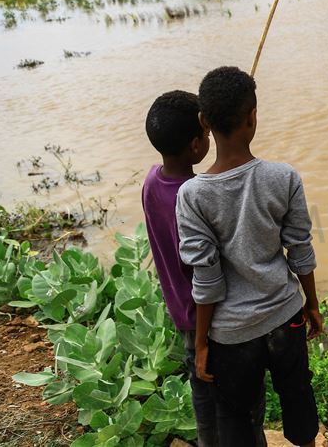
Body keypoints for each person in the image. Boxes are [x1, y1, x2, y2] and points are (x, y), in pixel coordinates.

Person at [177, 66, 323, 447]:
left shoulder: (192, 195)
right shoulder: (284, 177)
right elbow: (300, 248)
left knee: (237, 418)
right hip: (285, 317)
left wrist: (203, 341)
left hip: (232, 335)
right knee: (297, 396)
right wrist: (311, 302)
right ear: (253, 116)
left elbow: (206, 278)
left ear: (204, 122)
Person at [141, 90, 220, 446]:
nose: (209, 138)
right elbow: (206, 271)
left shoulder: (151, 181)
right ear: (195, 145)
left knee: (202, 392)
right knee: (230, 398)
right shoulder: (195, 197)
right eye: (206, 134)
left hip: (183, 313)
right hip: (208, 316)